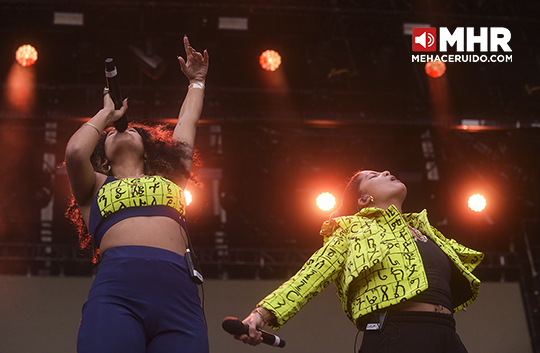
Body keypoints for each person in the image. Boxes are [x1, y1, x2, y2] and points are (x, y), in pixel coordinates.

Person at [65, 36, 209, 353]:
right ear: (102, 157)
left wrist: (196, 82)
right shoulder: (95, 185)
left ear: (148, 152)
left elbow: (187, 123)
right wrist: (106, 114)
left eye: (136, 131)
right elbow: (75, 152)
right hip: (118, 293)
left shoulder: (172, 177)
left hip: (179, 298)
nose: (128, 129)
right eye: (111, 133)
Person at [235, 170, 483, 353]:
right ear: (364, 200)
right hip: (398, 334)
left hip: (446, 334)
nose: (387, 172)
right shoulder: (351, 229)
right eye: (374, 176)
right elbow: (312, 274)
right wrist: (261, 315)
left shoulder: (424, 231)